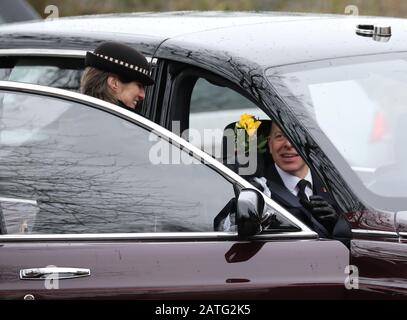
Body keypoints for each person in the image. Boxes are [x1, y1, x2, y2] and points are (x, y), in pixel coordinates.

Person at [251, 121, 351, 243]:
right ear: (270, 144)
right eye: (280, 136)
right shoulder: (257, 190)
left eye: (296, 134)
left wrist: (337, 225)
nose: (288, 144)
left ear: (310, 143)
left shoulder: (337, 183)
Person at [80, 41, 155, 112]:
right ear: (114, 83)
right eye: (139, 85)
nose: (142, 95)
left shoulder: (76, 115)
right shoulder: (110, 123)